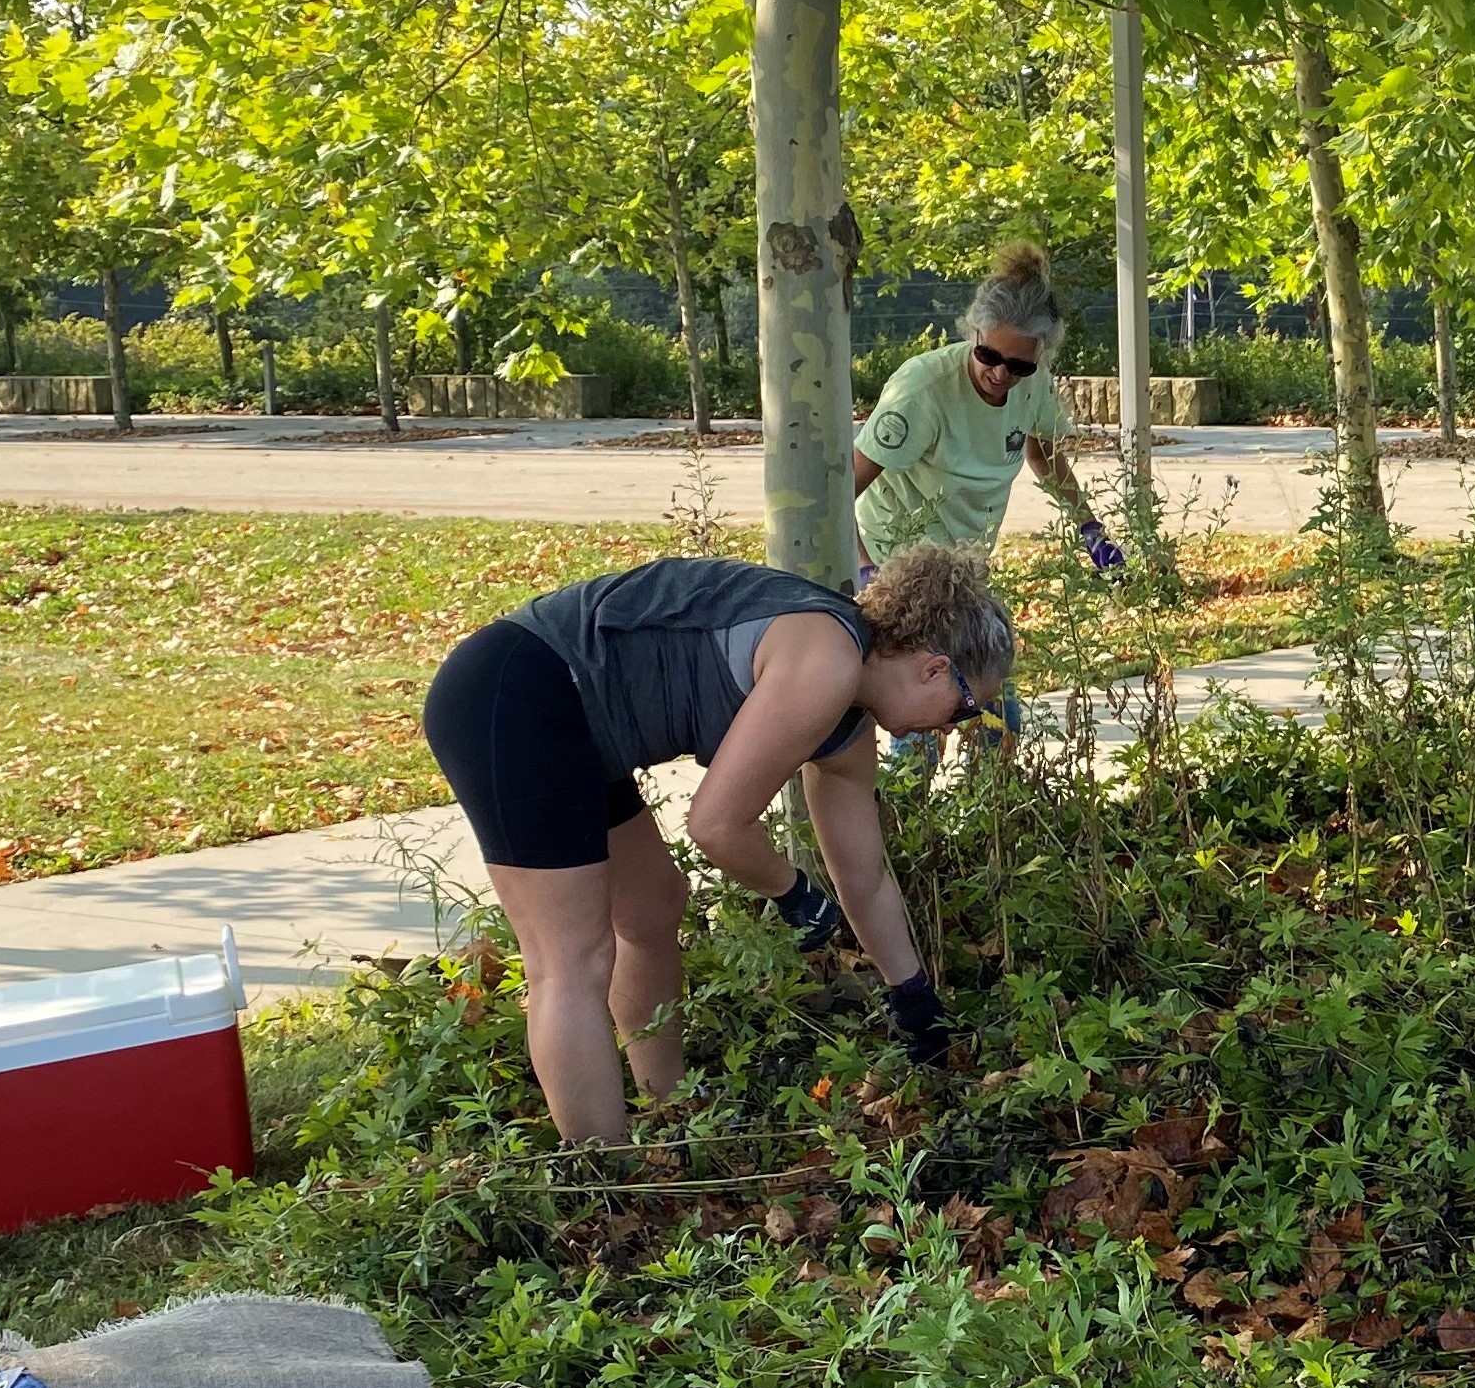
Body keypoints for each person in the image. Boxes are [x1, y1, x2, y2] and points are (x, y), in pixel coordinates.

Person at [419, 544, 1015, 1144]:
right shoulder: (826, 660)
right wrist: (793, 892)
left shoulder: (850, 711)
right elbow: (717, 825)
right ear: (934, 667)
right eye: (966, 708)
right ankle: (605, 1184)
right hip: (517, 693)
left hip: (575, 724)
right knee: (569, 959)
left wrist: (911, 996)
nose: (951, 728)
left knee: (651, 908)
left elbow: (864, 874)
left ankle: (670, 1109)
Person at [854, 243, 1121, 776]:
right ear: (972, 335)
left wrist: (1091, 528)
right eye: (990, 356)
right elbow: (841, 489)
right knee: (923, 730)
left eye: (1019, 364)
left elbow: (1043, 454)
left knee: (998, 717)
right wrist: (868, 573)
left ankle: (983, 830)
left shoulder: (1032, 385)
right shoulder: (923, 390)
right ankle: (914, 837)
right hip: (899, 574)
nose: (1002, 374)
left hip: (964, 576)